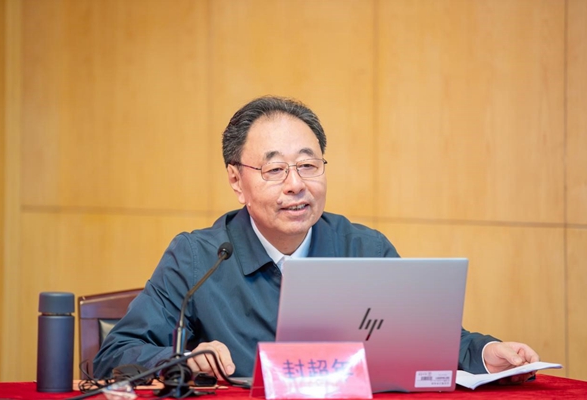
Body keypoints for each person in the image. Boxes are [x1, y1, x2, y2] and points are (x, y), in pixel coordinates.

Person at [93, 95, 539, 384]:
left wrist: (486, 352)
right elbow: (115, 352)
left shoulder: (364, 249)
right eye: (274, 169)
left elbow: (428, 343)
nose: (296, 185)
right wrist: (184, 361)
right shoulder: (199, 258)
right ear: (236, 180)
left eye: (308, 166)